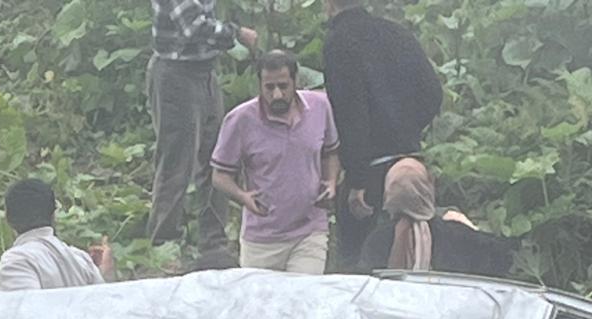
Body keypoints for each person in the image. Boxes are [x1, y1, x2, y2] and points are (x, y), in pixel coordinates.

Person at [321, 0, 442, 270]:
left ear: (328, 5)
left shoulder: (339, 43)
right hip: (411, 167)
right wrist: (406, 126)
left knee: (360, 267)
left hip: (371, 173)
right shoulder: (397, 33)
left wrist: (357, 180)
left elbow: (351, 114)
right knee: (417, 256)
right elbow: (433, 94)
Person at [210, 49, 339, 273]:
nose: (277, 95)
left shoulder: (320, 107)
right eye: (269, 88)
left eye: (283, 86)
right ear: (259, 85)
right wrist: (242, 196)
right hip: (263, 237)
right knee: (262, 306)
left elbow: (331, 152)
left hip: (309, 230)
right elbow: (220, 175)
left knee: (302, 298)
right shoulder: (240, 120)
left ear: (295, 81)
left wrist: (331, 181)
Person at [147, 0, 258, 249]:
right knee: (177, 161)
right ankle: (164, 243)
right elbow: (194, 27)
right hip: (176, 75)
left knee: (217, 158)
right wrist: (237, 33)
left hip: (205, 71)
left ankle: (213, 241)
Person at [359, 160, 514, 276]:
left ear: (389, 194)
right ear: (428, 188)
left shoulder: (377, 240)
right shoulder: (458, 235)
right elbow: (508, 257)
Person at [0, 179, 116, 291]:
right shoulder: (81, 260)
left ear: (8, 220)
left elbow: (25, 310)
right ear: (54, 215)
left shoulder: (16, 261)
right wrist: (105, 275)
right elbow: (103, 306)